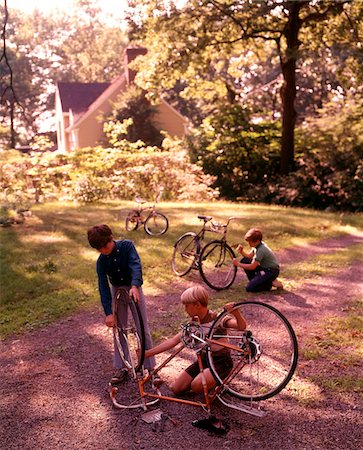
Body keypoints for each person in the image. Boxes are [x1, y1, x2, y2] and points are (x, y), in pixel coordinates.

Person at [144, 285, 247, 395]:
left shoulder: (216, 319)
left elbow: (241, 326)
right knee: (176, 389)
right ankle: (205, 380)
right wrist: (147, 354)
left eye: (187, 306)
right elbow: (173, 341)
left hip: (220, 362)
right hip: (204, 361)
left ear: (197, 305)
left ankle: (217, 385)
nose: (185, 309)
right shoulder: (193, 325)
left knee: (197, 386)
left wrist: (236, 313)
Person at [87, 224, 156, 384]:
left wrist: (134, 285)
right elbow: (103, 287)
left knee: (142, 328)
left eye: (105, 246)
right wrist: (109, 313)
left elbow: (135, 265)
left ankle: (150, 367)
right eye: (99, 249)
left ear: (111, 239)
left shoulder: (127, 246)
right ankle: (123, 367)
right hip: (117, 291)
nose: (104, 250)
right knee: (119, 330)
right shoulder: (101, 262)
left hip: (133, 288)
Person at [232, 227, 283, 292]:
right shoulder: (257, 246)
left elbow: (252, 267)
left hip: (271, 271)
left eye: (250, 242)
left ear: (257, 241)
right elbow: (249, 256)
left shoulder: (261, 250)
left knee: (250, 288)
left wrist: (238, 264)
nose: (249, 244)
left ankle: (270, 284)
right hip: (264, 268)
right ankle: (257, 281)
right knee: (245, 260)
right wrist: (242, 251)